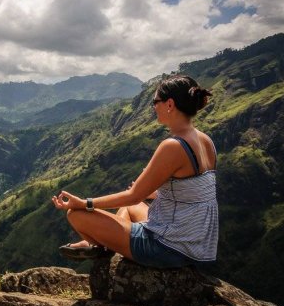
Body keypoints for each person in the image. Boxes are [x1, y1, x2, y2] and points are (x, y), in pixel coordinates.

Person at [52, 75, 217, 268]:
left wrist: (84, 203)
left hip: (169, 249)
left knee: (76, 214)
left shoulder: (173, 146)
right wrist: (156, 193)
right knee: (131, 208)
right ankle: (105, 245)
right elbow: (198, 191)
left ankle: (101, 245)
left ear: (169, 104)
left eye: (155, 101)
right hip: (198, 247)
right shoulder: (206, 141)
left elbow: (132, 195)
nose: (154, 107)